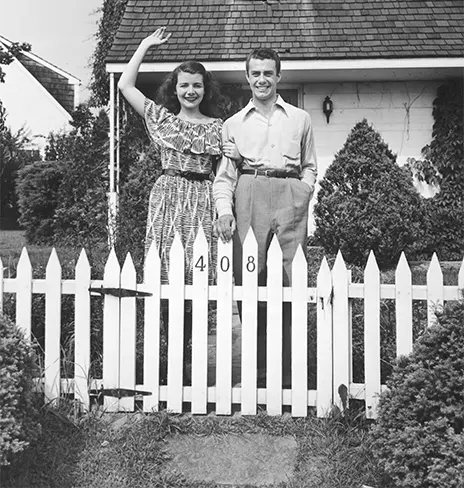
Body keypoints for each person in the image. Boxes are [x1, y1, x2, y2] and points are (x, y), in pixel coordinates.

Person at [212, 47, 318, 385]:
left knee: (291, 277)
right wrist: (225, 211)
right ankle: (257, 369)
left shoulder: (301, 118)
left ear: (278, 76)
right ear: (247, 78)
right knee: (250, 277)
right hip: (250, 192)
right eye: (255, 73)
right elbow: (225, 177)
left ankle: (288, 370)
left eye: (268, 73)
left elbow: (310, 165)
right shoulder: (233, 125)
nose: (262, 79)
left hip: (289, 192)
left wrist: (303, 191)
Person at [117, 26, 237, 280]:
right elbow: (125, 86)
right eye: (184, 85)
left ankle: (200, 318)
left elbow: (226, 172)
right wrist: (145, 46)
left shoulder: (218, 126)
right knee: (165, 261)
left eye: (197, 85)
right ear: (175, 89)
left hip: (203, 196)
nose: (190, 91)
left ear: (205, 90)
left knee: (202, 261)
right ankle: (167, 318)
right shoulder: (163, 120)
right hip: (167, 193)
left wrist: (235, 154)